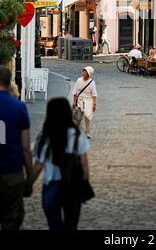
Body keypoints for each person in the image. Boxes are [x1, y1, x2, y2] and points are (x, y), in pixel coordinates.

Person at [31, 98, 90, 231]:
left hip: (51, 185)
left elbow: (38, 166)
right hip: (72, 185)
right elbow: (84, 165)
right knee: (71, 226)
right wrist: (84, 182)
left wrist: (28, 184)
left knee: (55, 226)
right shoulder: (77, 135)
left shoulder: (45, 136)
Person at [0, 67, 32, 230]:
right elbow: (26, 148)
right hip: (12, 173)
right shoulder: (18, 106)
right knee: (11, 218)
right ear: (9, 82)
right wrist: (30, 177)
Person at [72, 67, 97, 139]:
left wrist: (94, 104)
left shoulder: (92, 82)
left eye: (85, 72)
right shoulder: (79, 80)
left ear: (88, 74)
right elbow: (75, 91)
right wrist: (74, 101)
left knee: (87, 117)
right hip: (80, 100)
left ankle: (88, 132)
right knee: (78, 117)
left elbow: (94, 94)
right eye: (83, 71)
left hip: (89, 101)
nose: (83, 73)